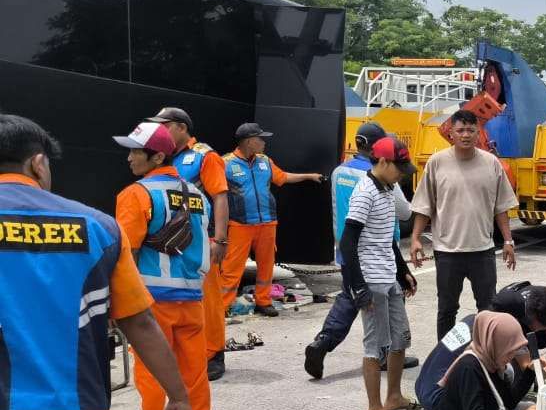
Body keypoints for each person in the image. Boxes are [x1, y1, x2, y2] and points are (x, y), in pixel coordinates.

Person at [0, 115, 211, 410]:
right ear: (38, 164)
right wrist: (180, 400)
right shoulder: (97, 227)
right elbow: (139, 323)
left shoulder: (136, 195)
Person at [112, 122, 214, 410]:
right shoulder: (198, 195)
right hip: (193, 299)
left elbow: (123, 254)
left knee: (153, 371)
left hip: (153, 300)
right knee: (193, 368)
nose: (128, 158)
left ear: (156, 156)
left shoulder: (136, 195)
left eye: (134, 152)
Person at [304, 122, 418, 380]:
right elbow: (404, 212)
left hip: (347, 250)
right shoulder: (382, 177)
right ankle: (384, 356)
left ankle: (323, 341)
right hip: (376, 252)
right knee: (379, 311)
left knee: (350, 298)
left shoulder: (339, 171)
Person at [409, 109, 518, 340]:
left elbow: (501, 207)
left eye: (471, 130)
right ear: (451, 133)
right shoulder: (437, 163)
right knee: (447, 310)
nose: (466, 135)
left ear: (479, 133)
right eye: (460, 130)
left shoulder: (492, 163)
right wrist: (416, 238)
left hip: (482, 251)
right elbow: (424, 204)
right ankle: (445, 360)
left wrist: (508, 240)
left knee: (488, 309)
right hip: (448, 252)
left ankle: (487, 358)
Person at [338, 137, 420, 410]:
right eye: (398, 167)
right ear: (383, 162)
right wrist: (357, 286)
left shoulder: (387, 188)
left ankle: (394, 396)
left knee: (400, 339)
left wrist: (402, 272)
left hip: (388, 277)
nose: (402, 173)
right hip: (371, 281)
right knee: (374, 346)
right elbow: (348, 242)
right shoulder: (364, 193)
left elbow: (387, 238)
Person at [146, 108, 230, 382]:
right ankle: (186, 353)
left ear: (181, 127)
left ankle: (214, 353)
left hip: (200, 238)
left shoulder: (205, 157)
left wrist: (220, 239)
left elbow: (219, 196)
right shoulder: (164, 157)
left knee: (208, 298)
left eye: (165, 125)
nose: (160, 131)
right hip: (170, 239)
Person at [220, 122, 322, 317]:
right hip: (240, 224)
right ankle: (222, 306)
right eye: (260, 139)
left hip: (267, 223)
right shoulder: (225, 164)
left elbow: (283, 177)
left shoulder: (265, 161)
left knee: (267, 266)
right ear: (249, 141)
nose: (264, 142)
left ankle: (263, 301)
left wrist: (309, 176)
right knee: (231, 268)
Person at [488, 281, 546, 380]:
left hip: (541, 335)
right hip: (511, 330)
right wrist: (532, 370)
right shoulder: (506, 304)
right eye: (534, 324)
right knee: (518, 371)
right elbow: (521, 357)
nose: (536, 328)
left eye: (541, 326)